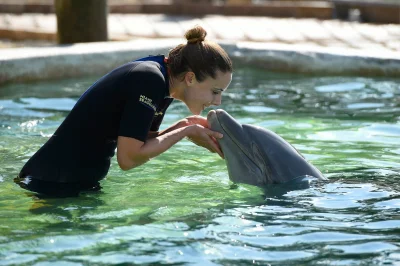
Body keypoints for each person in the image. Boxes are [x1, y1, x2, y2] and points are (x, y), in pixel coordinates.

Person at [14, 25, 233, 197]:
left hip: (70, 182)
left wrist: (184, 125)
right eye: (215, 91)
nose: (218, 101)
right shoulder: (150, 80)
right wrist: (187, 132)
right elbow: (128, 158)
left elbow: (142, 139)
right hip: (51, 183)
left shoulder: (163, 81)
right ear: (191, 77)